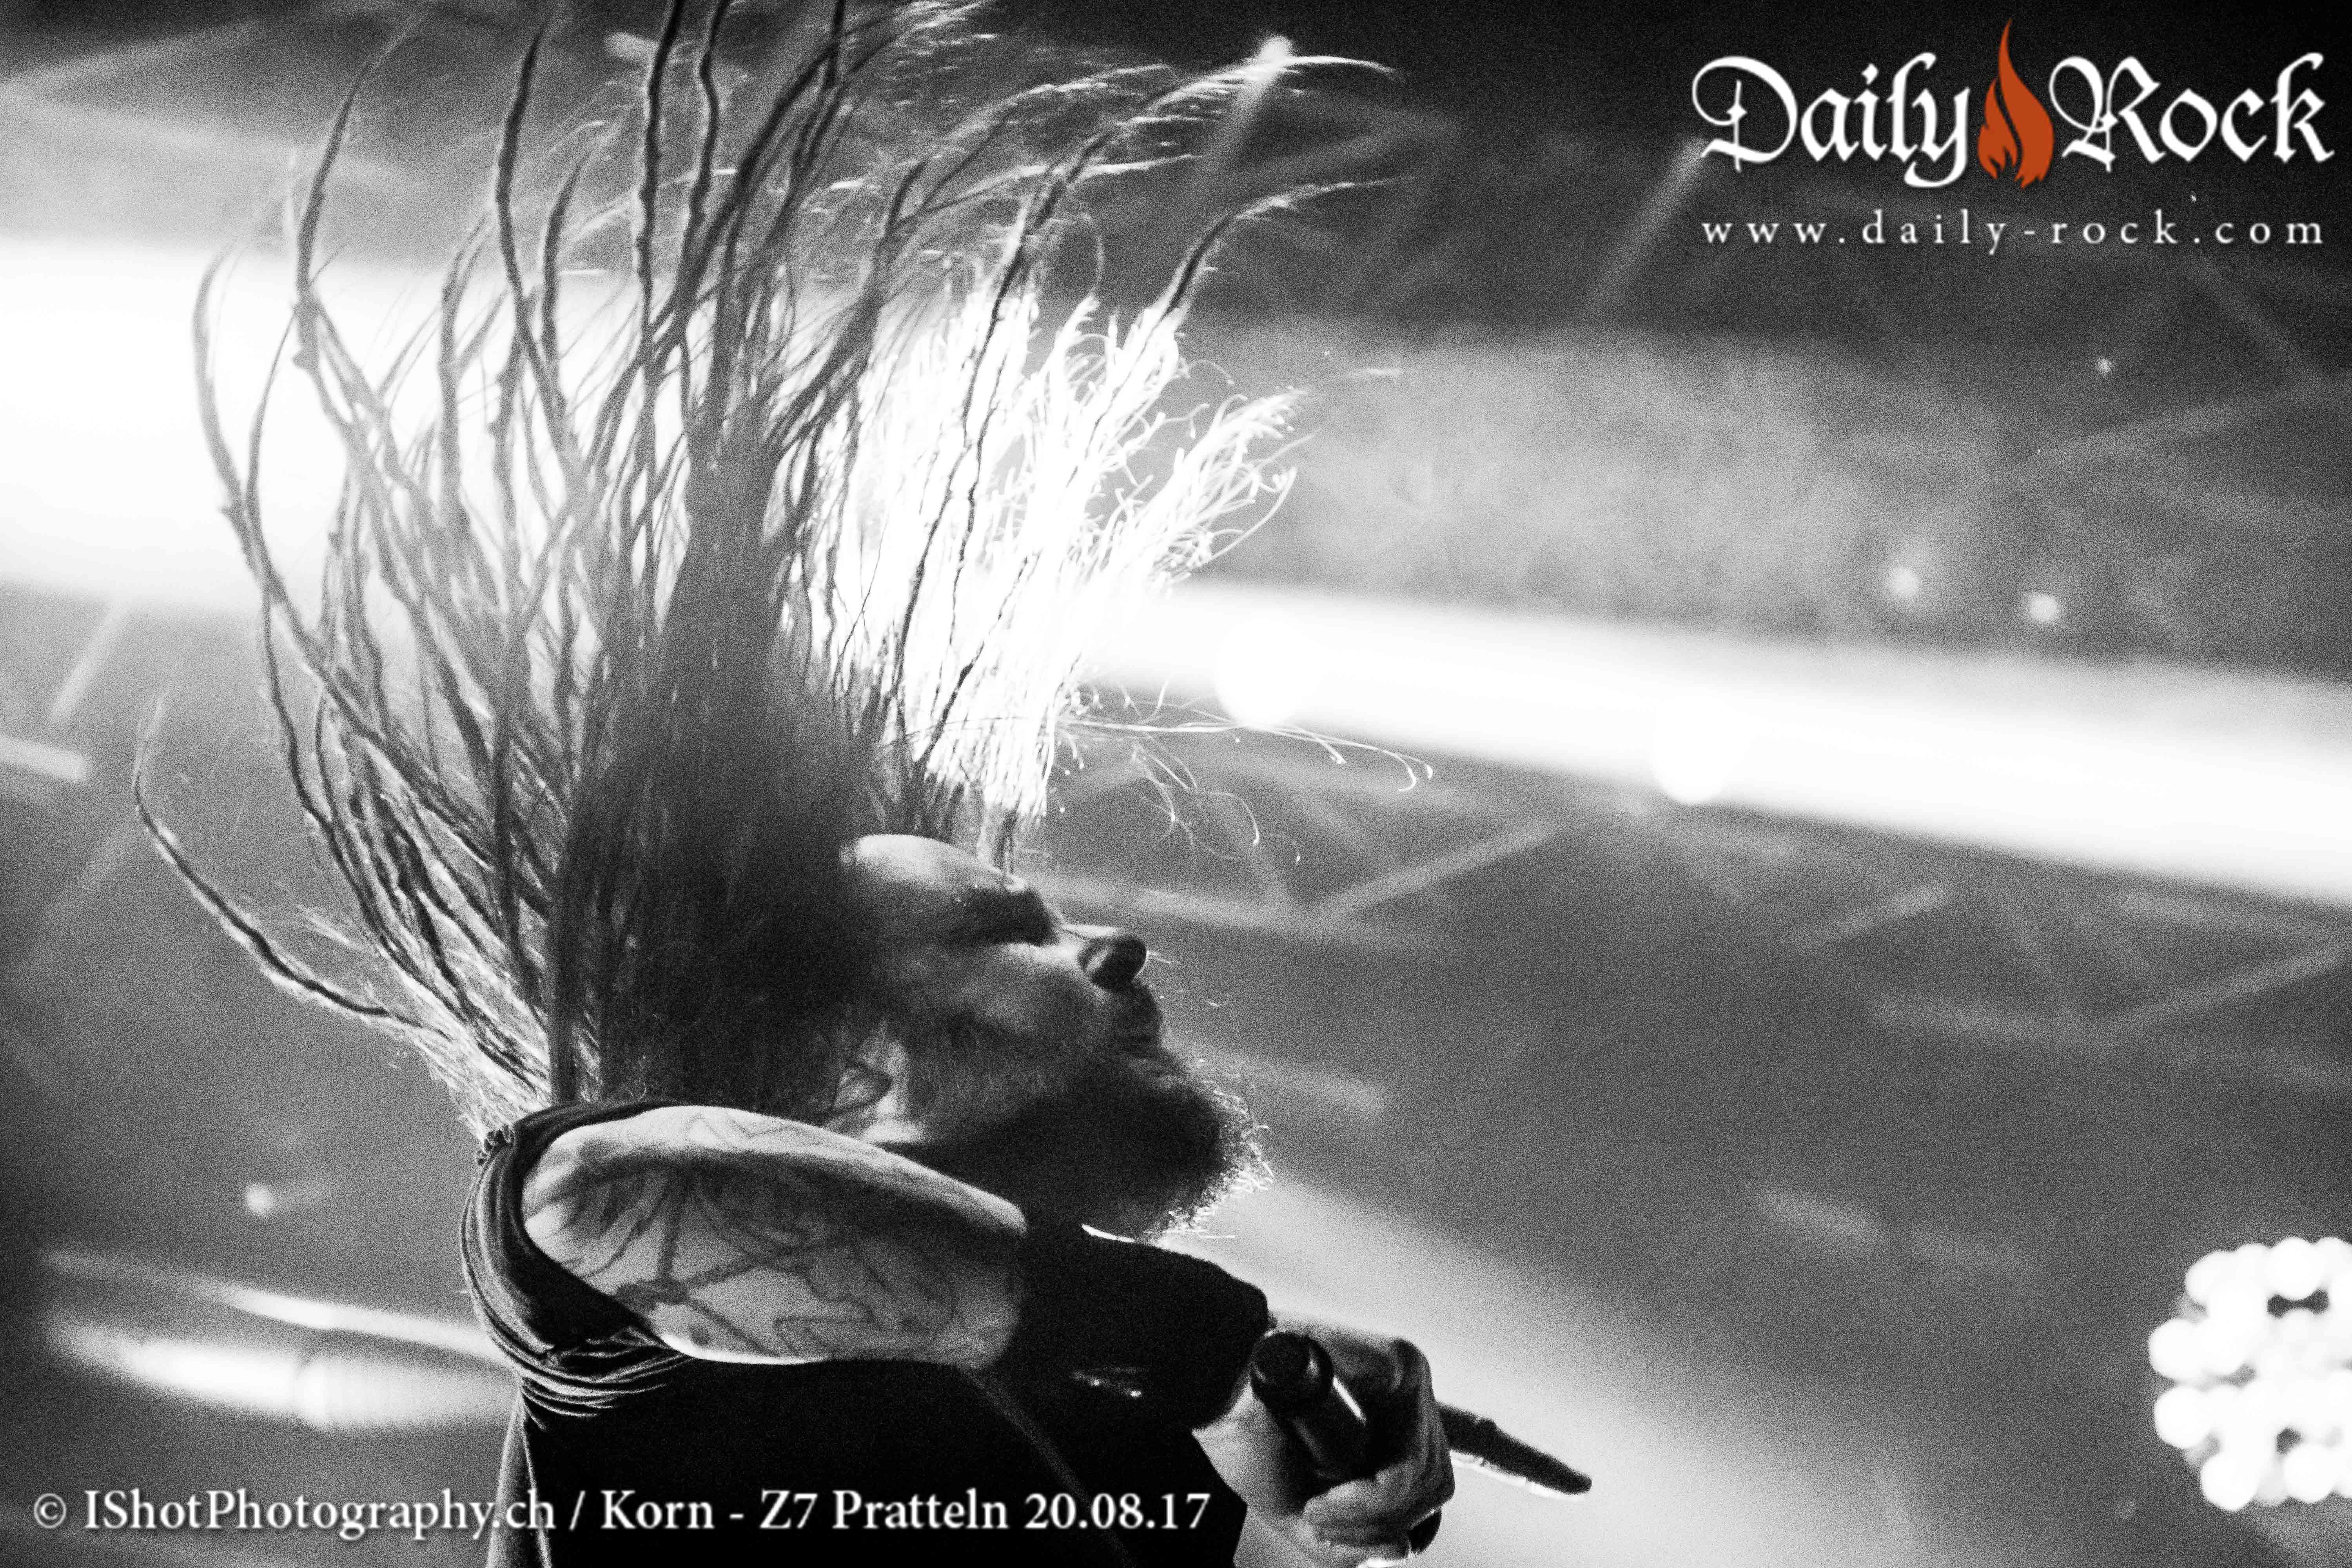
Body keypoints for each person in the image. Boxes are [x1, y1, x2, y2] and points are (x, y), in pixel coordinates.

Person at [144, 4, 1451, 1563]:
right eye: (1010, 927)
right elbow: (622, 1192)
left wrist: (1319, 1507)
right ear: (845, 1075)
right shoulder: (611, 1291)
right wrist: (1219, 1351)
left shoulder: (1139, 1436)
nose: (1114, 946)